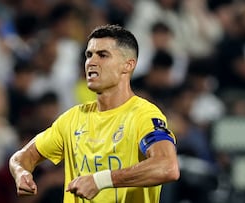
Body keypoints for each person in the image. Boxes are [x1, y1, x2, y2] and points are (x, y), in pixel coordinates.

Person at [9, 24, 180, 203]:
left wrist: (100, 180)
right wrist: (21, 172)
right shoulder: (72, 118)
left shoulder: (143, 115)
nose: (91, 61)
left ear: (128, 65)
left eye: (103, 55)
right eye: (89, 55)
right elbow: (22, 157)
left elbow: (167, 167)